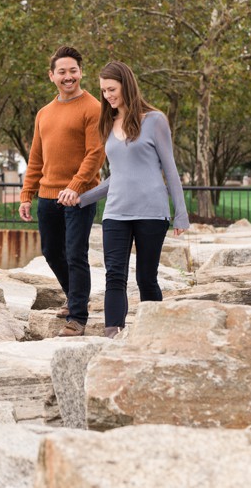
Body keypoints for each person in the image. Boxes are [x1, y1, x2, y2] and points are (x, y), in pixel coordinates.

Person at [68, 61, 189, 339]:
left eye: (112, 89)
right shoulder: (108, 124)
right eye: (103, 91)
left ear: (126, 85)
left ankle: (155, 335)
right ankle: (113, 334)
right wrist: (82, 198)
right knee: (114, 276)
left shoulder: (155, 120)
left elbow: (169, 170)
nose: (108, 95)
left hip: (151, 213)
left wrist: (180, 213)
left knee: (146, 278)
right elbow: (116, 178)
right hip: (115, 213)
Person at [19, 45, 105, 337]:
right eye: (62, 72)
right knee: (51, 251)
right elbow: (36, 158)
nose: (68, 77)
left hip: (79, 197)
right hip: (47, 195)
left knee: (75, 253)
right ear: (52, 76)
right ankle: (74, 295)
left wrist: (75, 186)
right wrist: (26, 194)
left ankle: (78, 316)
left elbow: (96, 154)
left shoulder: (94, 107)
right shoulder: (44, 113)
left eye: (73, 71)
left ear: (81, 73)